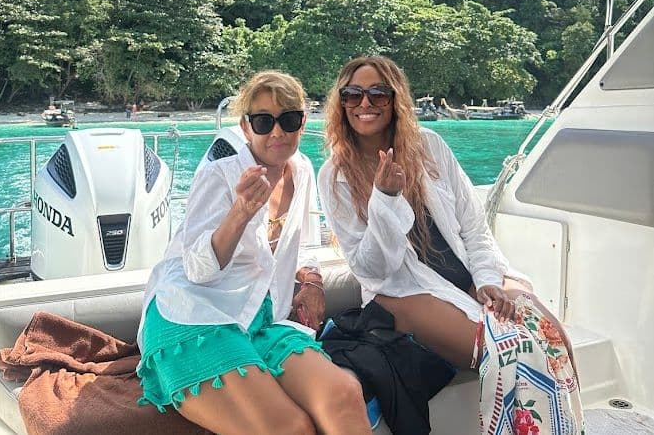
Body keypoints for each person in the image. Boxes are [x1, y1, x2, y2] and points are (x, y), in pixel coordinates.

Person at [137, 71, 371, 435]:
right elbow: (197, 269)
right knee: (289, 428)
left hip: (261, 317)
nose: (277, 132)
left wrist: (311, 282)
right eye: (263, 122)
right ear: (246, 128)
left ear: (302, 122)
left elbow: (305, 244)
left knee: (344, 393)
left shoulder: (303, 171)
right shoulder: (222, 171)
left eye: (288, 120)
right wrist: (241, 212)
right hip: (195, 315)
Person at [318, 55, 577, 374]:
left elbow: (474, 227)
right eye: (353, 95)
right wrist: (385, 198)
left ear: (395, 99)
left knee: (554, 340)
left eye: (378, 93)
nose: (364, 103)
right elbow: (372, 269)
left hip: (466, 270)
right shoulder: (335, 176)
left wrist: (487, 280)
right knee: (508, 359)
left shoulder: (429, 146)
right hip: (404, 290)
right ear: (342, 103)